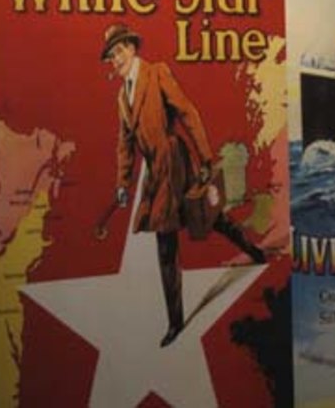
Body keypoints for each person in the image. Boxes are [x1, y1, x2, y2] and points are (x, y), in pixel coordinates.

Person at [101, 23, 266, 348]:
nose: (116, 58)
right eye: (111, 55)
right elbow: (125, 144)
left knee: (208, 218)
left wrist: (205, 158)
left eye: (120, 50)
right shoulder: (123, 96)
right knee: (168, 242)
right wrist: (122, 182)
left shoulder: (157, 72)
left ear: (132, 49)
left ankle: (253, 250)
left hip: (177, 162)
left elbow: (187, 112)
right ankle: (176, 322)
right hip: (156, 173)